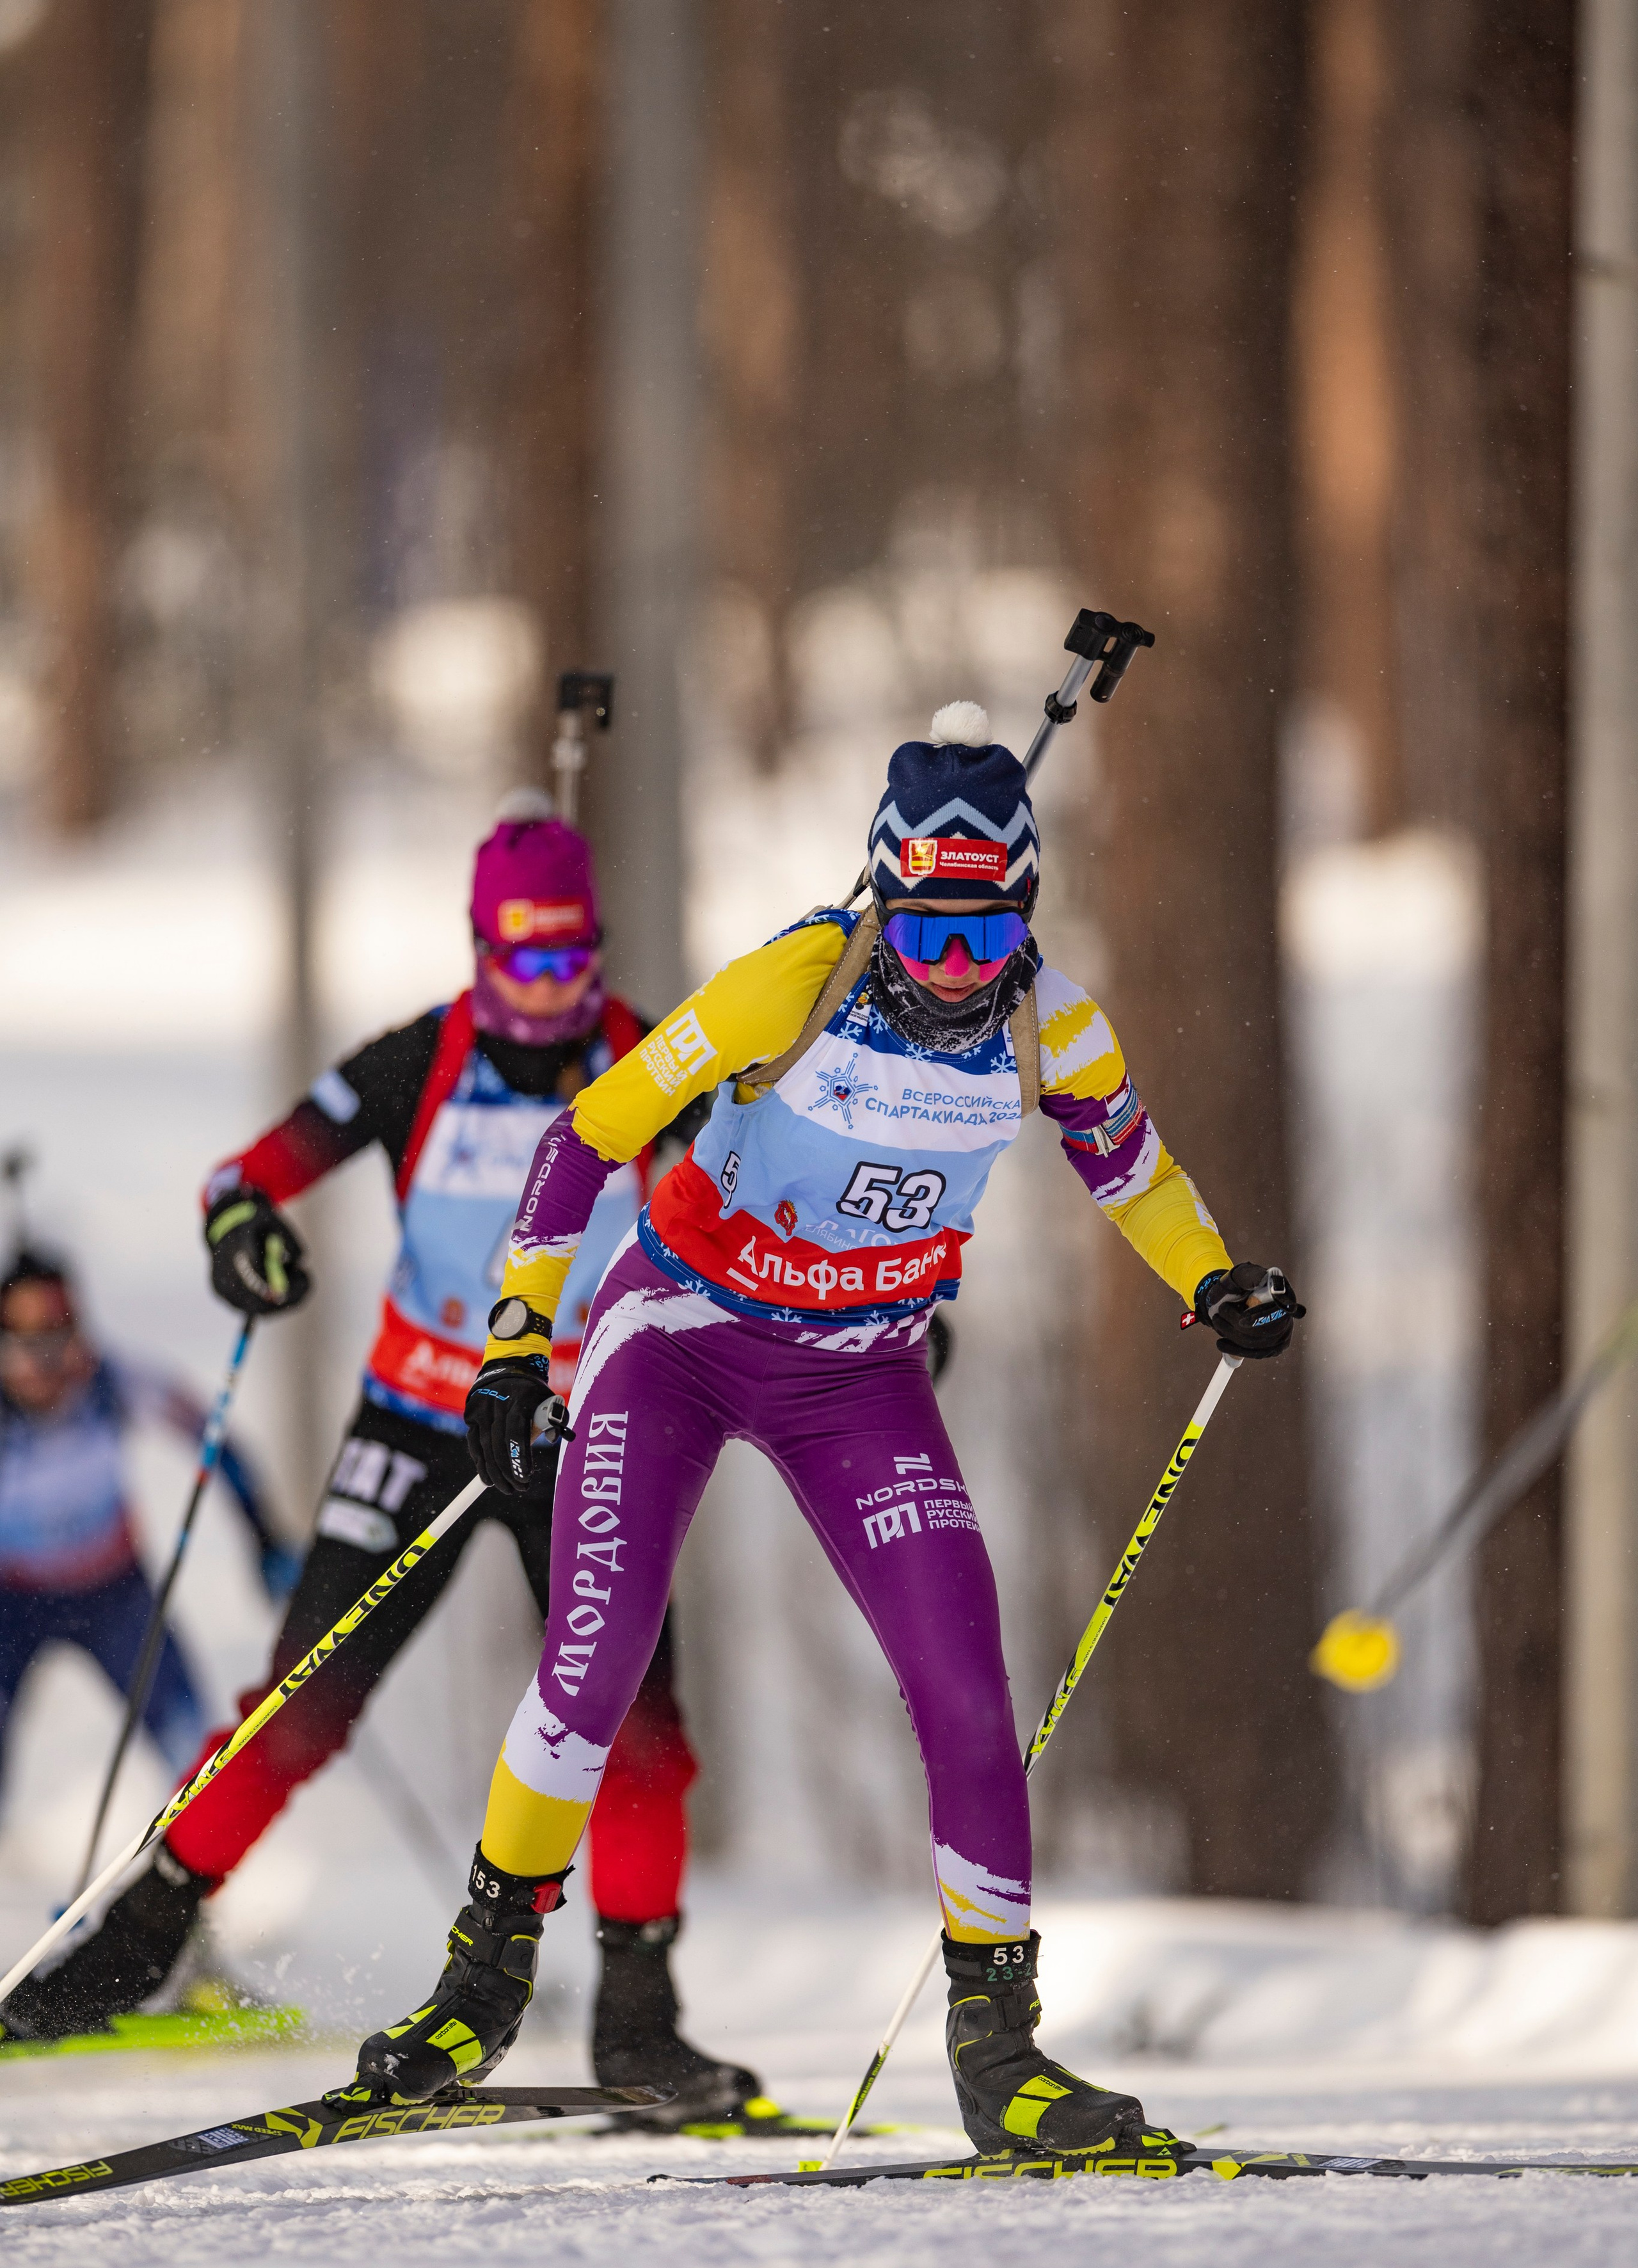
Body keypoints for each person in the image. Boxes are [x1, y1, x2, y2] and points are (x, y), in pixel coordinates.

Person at [341, 701, 1303, 2155]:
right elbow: (587, 1131)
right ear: (880, 899)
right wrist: (516, 1344)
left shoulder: (1052, 1022)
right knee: (593, 1663)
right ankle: (479, 1987)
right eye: (925, 933)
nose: (956, 971)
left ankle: (999, 2052)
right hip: (677, 1338)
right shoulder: (798, 978)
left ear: (1025, 912)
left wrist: (1214, 1279)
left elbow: (1132, 1172)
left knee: (966, 1685)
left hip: (856, 1373)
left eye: (986, 935)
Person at [1, 801, 765, 2127]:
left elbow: (759, 1206)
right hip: (420, 1417)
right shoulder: (424, 1056)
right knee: (302, 1697)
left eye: (570, 961)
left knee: (635, 1725)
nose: (548, 993)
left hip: (586, 1421)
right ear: (479, 951)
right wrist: (245, 1231)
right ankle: (133, 1948)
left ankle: (642, 2016)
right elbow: (250, 1172)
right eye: (521, 962)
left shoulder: (652, 1058)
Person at [0, 1245, 292, 1806]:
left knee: (195, 1755)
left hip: (113, 1593)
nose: (44, 1364)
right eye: (25, 1344)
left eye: (59, 1339)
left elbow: (217, 1441)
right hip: (13, 1602)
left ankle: (193, 1876)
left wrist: (266, 1537)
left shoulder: (114, 1383)